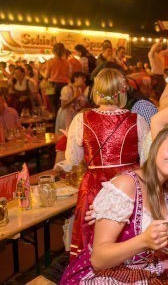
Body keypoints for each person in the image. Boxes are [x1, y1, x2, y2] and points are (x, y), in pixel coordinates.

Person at [61, 125, 168, 284]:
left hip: (142, 272)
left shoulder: (164, 192)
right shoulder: (126, 185)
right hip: (105, 275)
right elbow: (98, 259)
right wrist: (144, 241)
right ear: (156, 147)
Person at [62, 68, 149, 259]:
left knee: (93, 241)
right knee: (124, 242)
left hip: (94, 187)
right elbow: (147, 161)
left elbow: (73, 160)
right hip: (128, 187)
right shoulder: (138, 120)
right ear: (123, 91)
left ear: (95, 90)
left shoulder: (81, 120)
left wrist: (72, 138)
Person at [44, 43, 71, 115]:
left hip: (51, 84)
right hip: (64, 84)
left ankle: (54, 121)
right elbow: (69, 75)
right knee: (61, 105)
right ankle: (60, 120)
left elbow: (47, 76)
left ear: (53, 50)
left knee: (51, 105)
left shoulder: (50, 62)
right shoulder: (67, 62)